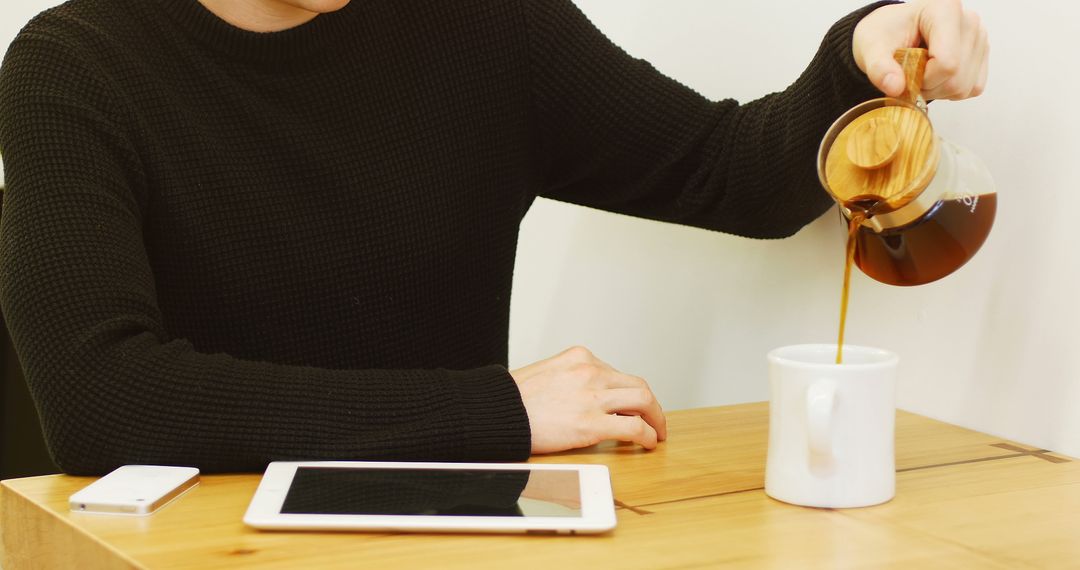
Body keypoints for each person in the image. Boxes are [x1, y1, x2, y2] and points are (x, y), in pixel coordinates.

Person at [0, 0, 987, 475]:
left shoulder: (486, 28)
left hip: (448, 538)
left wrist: (862, 58)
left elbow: (731, 174)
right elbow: (104, 399)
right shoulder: (74, 65)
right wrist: (498, 412)